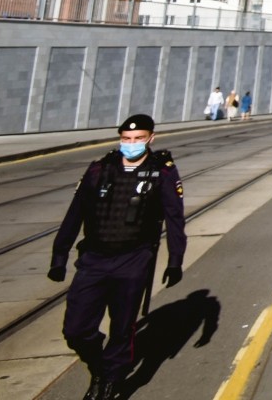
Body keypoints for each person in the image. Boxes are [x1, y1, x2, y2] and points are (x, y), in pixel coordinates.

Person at [49, 114, 186, 400]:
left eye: (138, 139)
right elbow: (75, 213)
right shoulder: (100, 169)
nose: (131, 144)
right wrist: (59, 255)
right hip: (94, 259)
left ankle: (111, 381)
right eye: (126, 139)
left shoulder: (162, 171)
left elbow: (174, 219)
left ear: (151, 139)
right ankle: (100, 368)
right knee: (76, 330)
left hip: (133, 259)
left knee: (122, 328)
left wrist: (175, 261)